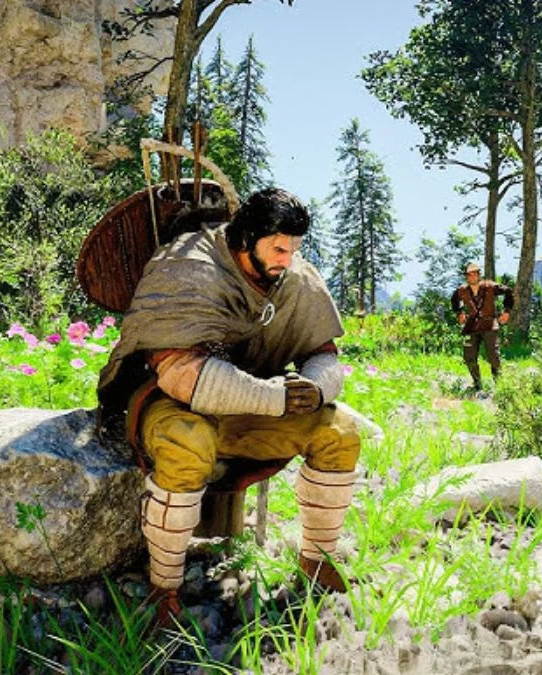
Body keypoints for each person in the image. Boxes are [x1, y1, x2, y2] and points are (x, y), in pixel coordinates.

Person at [96, 188, 361, 623]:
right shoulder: (189, 264)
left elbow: (324, 355)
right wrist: (275, 397)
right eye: (278, 248)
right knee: (188, 441)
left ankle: (317, 561)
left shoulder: (295, 277)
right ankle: (163, 587)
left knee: (339, 432)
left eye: (294, 248)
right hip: (174, 403)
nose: (287, 258)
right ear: (247, 238)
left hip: (255, 411)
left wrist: (315, 389)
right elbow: (178, 372)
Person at [449, 262, 513, 390]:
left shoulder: (490, 286)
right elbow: (454, 300)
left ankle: (499, 384)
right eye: (469, 274)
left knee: (493, 356)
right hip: (472, 326)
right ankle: (477, 384)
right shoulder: (462, 290)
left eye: (475, 274)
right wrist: (460, 313)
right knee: (469, 356)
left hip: (489, 324)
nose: (472, 276)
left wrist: (506, 312)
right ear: (466, 276)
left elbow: (508, 291)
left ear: (478, 275)